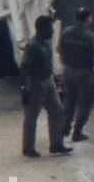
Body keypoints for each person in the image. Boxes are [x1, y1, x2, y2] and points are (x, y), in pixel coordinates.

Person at [20, 14, 72, 158]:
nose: (52, 31)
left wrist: (54, 78)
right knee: (31, 117)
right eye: (50, 28)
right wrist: (24, 88)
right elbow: (24, 67)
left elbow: (48, 64)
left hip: (48, 82)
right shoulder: (33, 46)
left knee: (58, 111)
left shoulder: (46, 44)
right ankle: (28, 148)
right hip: (35, 84)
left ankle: (56, 144)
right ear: (42, 29)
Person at [57, 6, 94, 142]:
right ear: (88, 19)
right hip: (84, 73)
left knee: (69, 101)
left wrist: (65, 64)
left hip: (68, 71)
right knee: (84, 103)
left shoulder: (66, 32)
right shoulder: (89, 36)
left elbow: (60, 51)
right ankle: (77, 132)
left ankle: (64, 129)